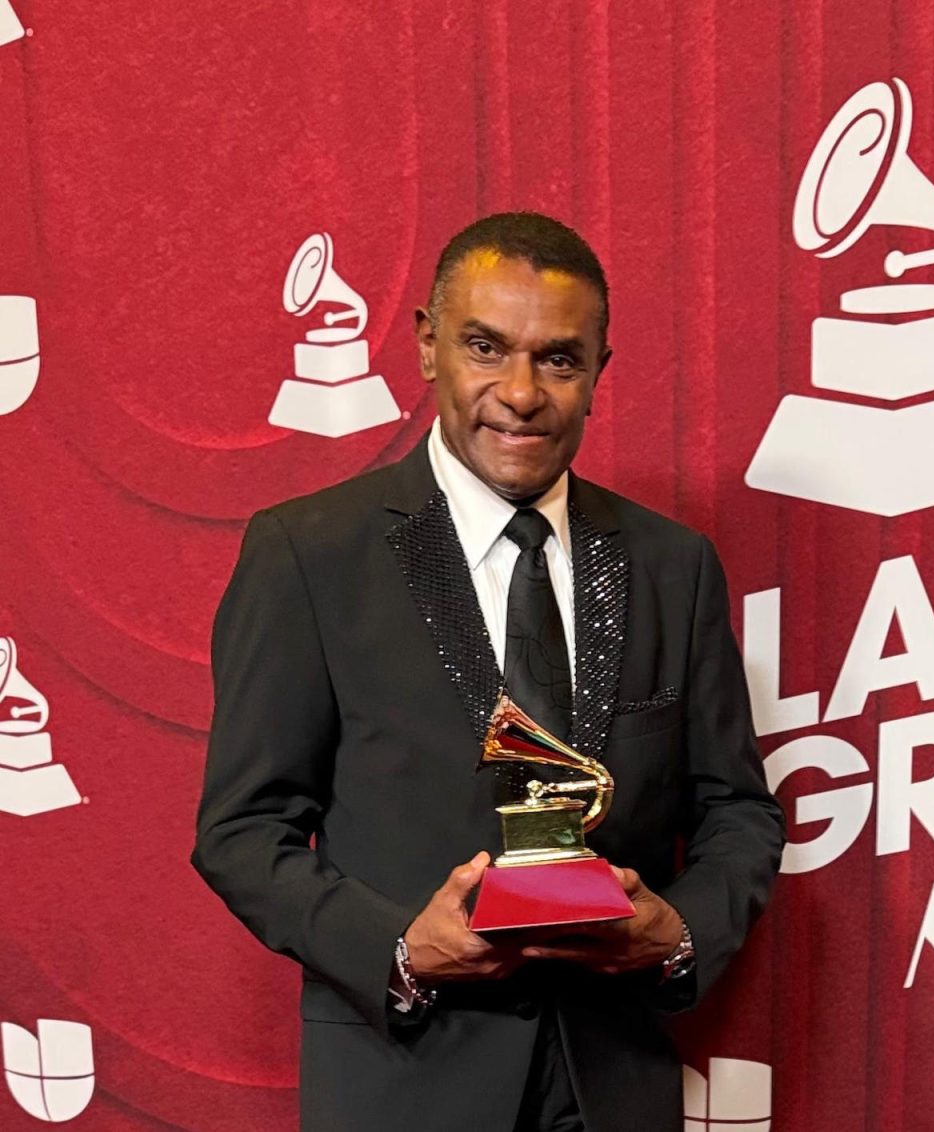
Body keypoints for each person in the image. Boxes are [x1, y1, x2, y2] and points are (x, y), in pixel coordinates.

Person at [192, 212, 785, 1131]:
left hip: (616, 1083)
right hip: (404, 1080)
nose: (520, 393)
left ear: (598, 372)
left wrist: (677, 936)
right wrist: (399, 948)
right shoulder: (309, 554)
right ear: (427, 347)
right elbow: (243, 829)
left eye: (558, 359)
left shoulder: (675, 565)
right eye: (484, 347)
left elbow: (738, 811)